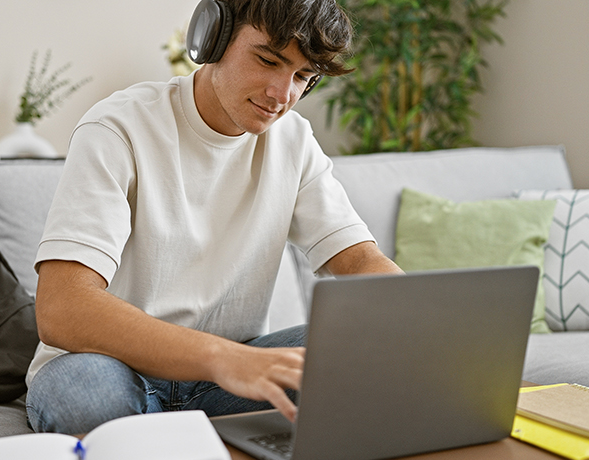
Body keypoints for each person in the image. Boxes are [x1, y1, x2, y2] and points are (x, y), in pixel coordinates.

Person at [24, 0, 403, 435]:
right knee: (87, 400)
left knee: (356, 349)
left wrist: (422, 320)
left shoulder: (293, 142)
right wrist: (226, 359)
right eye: (267, 60)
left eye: (302, 77)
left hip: (223, 381)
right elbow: (61, 307)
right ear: (212, 37)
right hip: (109, 367)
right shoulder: (118, 128)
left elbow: (358, 260)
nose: (282, 96)